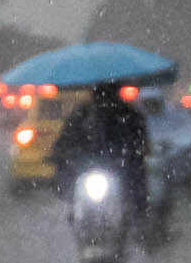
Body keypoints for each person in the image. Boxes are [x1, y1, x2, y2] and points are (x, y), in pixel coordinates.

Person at [52, 81, 152, 245]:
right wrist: (63, 156)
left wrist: (130, 156)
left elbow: (142, 145)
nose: (103, 97)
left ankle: (137, 230)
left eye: (108, 92)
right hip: (88, 171)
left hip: (120, 171)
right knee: (70, 194)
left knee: (136, 194)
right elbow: (64, 143)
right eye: (100, 93)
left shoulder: (130, 114)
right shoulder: (81, 115)